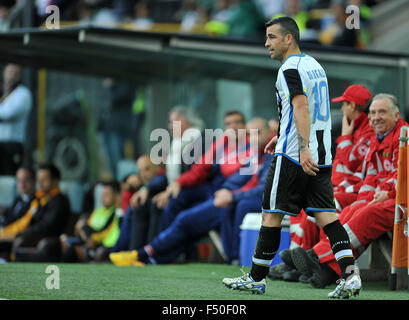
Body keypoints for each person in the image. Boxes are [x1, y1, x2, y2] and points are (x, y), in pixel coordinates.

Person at [222, 16, 361, 299]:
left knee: (271, 214)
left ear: (289, 39)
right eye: (266, 37)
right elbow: (305, 107)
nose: (266, 43)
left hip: (296, 154)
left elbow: (300, 106)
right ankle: (350, 277)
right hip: (321, 154)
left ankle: (256, 279)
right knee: (328, 217)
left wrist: (300, 145)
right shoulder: (314, 65)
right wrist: (285, 134)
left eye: (272, 37)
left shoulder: (289, 68)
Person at [109, 117, 272, 266]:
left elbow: (256, 186)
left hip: (227, 197)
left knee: (183, 219)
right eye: (228, 124)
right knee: (170, 203)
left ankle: (146, 253)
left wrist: (232, 195)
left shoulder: (263, 153)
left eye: (256, 132)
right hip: (217, 192)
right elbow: (199, 170)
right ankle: (146, 254)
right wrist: (175, 184)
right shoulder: (231, 146)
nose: (234, 127)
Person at [290, 93, 409, 289]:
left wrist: (385, 193)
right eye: (372, 112)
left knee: (366, 214)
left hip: (402, 200)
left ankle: (317, 257)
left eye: (382, 112)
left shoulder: (404, 136)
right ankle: (327, 271)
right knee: (352, 210)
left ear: (396, 116)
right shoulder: (380, 137)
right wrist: (363, 198)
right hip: (387, 197)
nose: (376, 117)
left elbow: (403, 177)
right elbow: (371, 178)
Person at [9, 164, 71, 262]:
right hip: (29, 237)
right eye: (39, 180)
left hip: (45, 243)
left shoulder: (59, 201)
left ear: (55, 181)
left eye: (44, 180)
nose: (40, 184)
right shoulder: (41, 199)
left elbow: (46, 227)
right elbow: (28, 220)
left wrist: (21, 234)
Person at [59, 180, 121, 263]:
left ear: (116, 196)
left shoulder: (115, 212)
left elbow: (105, 232)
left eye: (107, 195)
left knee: (69, 251)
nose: (103, 198)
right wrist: (80, 230)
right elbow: (85, 227)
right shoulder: (98, 211)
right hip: (86, 240)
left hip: (98, 245)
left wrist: (92, 238)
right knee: (62, 243)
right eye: (102, 195)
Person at [0, 63, 32, 175]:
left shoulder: (23, 93)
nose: (11, 76)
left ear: (20, 75)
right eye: (9, 72)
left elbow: (8, 114)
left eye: (15, 73)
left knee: (9, 177)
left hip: (12, 145)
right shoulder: (3, 92)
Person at [0, 166, 35, 261]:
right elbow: (8, 217)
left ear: (34, 181)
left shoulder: (36, 202)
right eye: (19, 180)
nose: (22, 184)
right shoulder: (18, 198)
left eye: (26, 180)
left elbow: (27, 225)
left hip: (15, 236)